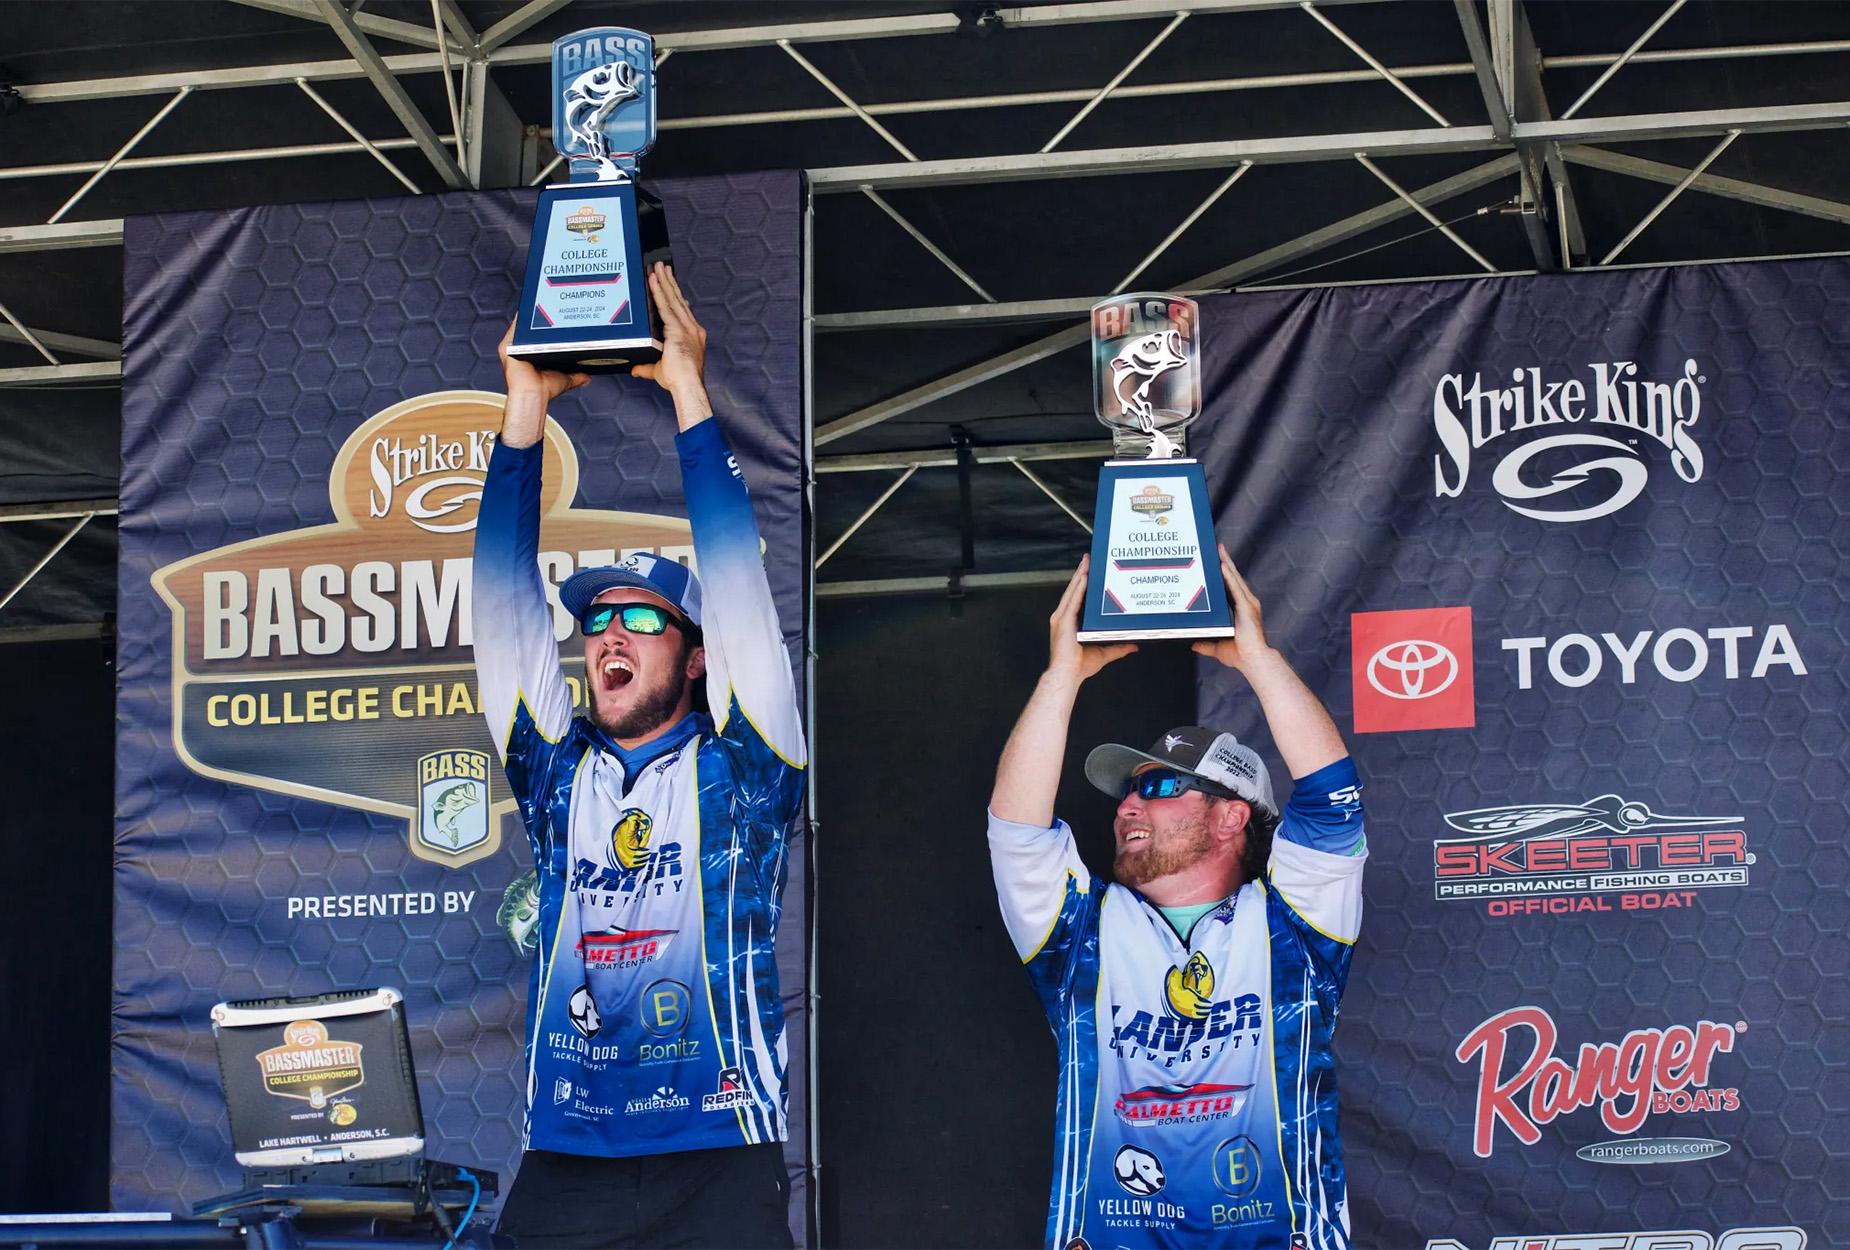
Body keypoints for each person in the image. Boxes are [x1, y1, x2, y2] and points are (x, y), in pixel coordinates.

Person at [473, 264, 805, 1248]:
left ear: (693, 653)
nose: (610, 635)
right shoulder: (551, 770)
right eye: (598, 620)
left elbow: (738, 585)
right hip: (567, 1155)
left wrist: (688, 391)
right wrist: (523, 406)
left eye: (642, 619)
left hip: (720, 1149)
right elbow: (500, 606)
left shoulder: (748, 766)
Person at [989, 549, 1366, 1250]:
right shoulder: (1083, 934)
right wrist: (1061, 676)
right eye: (1129, 789)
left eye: (1160, 787)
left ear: (1232, 818)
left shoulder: (1295, 929)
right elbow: (1016, 830)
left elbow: (1333, 800)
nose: (1130, 803)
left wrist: (1256, 658)